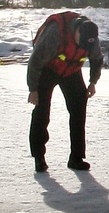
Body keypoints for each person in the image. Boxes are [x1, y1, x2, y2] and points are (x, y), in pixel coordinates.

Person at [27, 11, 104, 173]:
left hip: (71, 71)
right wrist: (33, 89)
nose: (84, 47)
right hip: (47, 69)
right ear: (76, 33)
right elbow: (35, 61)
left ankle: (76, 158)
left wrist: (92, 82)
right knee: (42, 111)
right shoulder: (55, 33)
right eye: (81, 43)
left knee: (79, 106)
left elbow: (97, 59)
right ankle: (39, 157)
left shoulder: (91, 39)